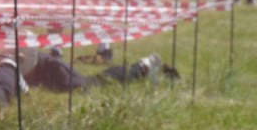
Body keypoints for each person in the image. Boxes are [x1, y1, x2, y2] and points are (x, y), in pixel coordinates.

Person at [24, 49, 168, 91]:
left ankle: (142, 67)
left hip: (82, 81)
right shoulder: (128, 76)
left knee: (51, 65)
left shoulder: (124, 69)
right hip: (81, 82)